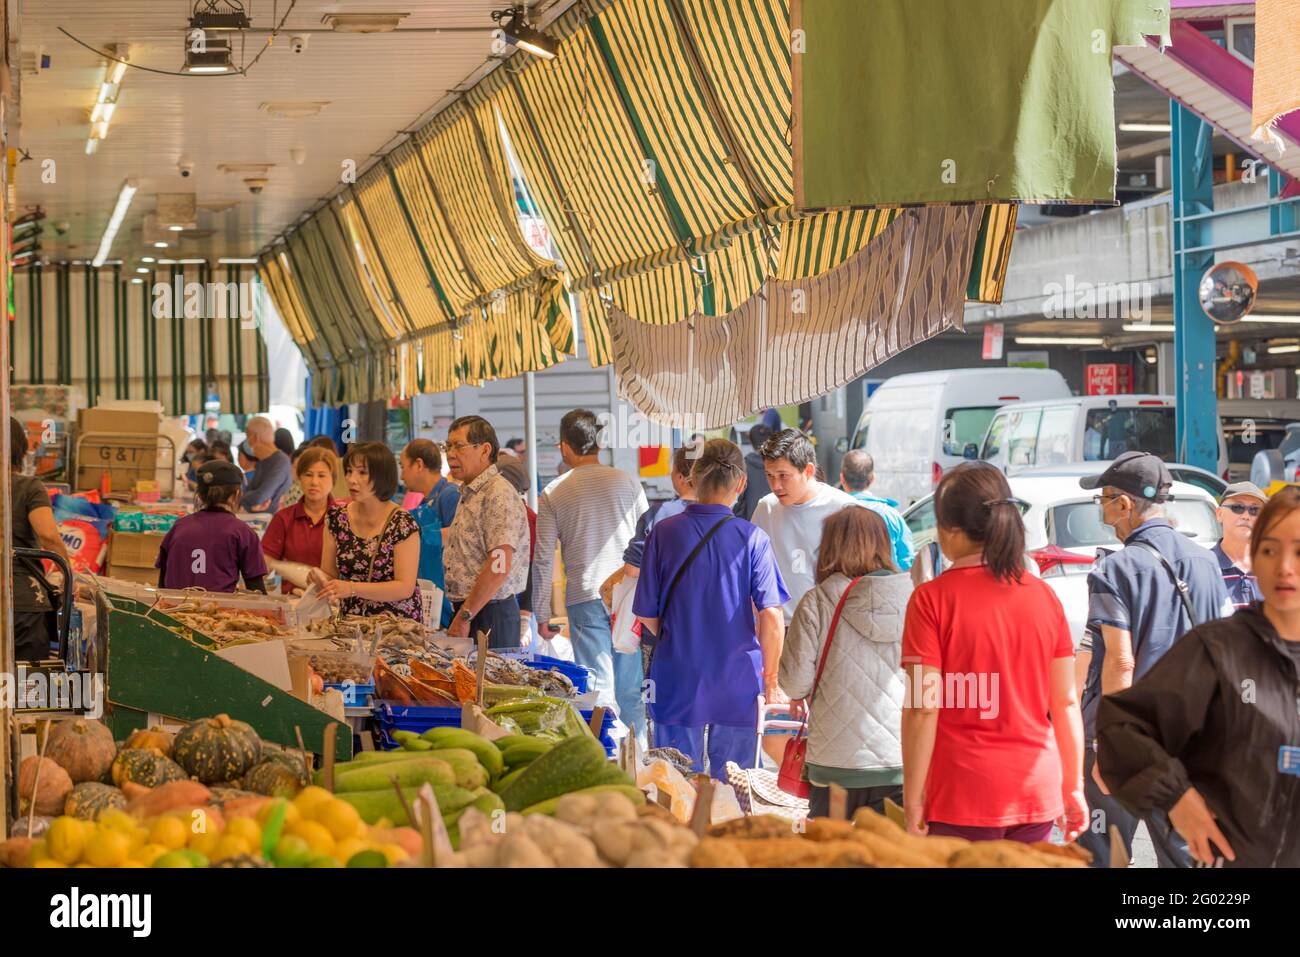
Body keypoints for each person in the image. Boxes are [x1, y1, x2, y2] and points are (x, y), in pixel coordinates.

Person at [1096, 487, 1300, 867]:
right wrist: (1175, 795)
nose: (1285, 566)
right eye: (1272, 549)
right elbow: (1122, 726)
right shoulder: (1219, 649)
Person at [901, 462, 1086, 844]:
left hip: (960, 794)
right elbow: (1066, 702)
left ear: (949, 530)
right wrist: (1073, 787)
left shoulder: (931, 600)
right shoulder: (1044, 597)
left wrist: (913, 796)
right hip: (1035, 789)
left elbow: (923, 706)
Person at [1074, 451, 1231, 867]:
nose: (1103, 511)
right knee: (1188, 852)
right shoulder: (1206, 563)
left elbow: (1120, 663)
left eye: (1104, 500)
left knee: (1107, 854)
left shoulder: (1116, 569)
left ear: (1124, 504)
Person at [633, 439, 788, 777]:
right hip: (738, 680)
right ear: (741, 484)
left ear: (692, 478)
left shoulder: (663, 533)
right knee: (736, 785)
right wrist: (772, 679)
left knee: (675, 783)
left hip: (676, 675)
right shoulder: (752, 538)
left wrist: (679, 636)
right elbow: (772, 616)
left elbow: (646, 613)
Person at [780, 506, 912, 818]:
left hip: (833, 764)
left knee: (830, 855)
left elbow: (795, 683)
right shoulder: (914, 598)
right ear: (883, 545)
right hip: (898, 759)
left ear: (828, 547)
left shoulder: (817, 601)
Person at [532, 410, 648, 736]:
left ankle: (605, 758)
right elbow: (648, 540)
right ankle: (636, 764)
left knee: (598, 691)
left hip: (584, 596)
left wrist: (542, 612)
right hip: (629, 595)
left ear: (564, 447)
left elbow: (542, 558)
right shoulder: (628, 481)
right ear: (599, 443)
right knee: (630, 690)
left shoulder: (554, 492)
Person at [751, 428, 864, 620]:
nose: (775, 485)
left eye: (783, 476)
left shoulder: (845, 509)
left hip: (828, 625)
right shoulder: (766, 508)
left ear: (808, 470)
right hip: (780, 627)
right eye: (769, 475)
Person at [442, 416, 531, 646]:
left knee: (489, 682)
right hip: (473, 611)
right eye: (448, 446)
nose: (451, 454)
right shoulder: (470, 493)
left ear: (484, 450)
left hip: (490, 615)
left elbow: (499, 566)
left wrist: (465, 615)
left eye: (459, 446)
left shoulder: (497, 493)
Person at [318, 442, 421, 620]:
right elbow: (329, 573)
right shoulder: (336, 517)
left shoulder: (402, 523)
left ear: (382, 476)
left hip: (395, 626)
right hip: (350, 622)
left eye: (362, 472)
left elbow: (404, 587)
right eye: (349, 471)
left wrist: (352, 588)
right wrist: (318, 578)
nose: (351, 479)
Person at [602, 444, 696, 608]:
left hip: (666, 610)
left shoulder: (659, 515)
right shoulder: (725, 516)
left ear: (680, 477)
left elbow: (632, 570)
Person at [9, 418, 71, 661]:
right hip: (22, 600)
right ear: (21, 449)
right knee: (28, 687)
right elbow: (49, 536)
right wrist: (68, 573)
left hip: (20, 600)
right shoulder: (28, 487)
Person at [157, 460, 268, 593]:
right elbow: (257, 592)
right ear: (236, 494)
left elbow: (162, 584)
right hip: (218, 611)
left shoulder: (179, 527)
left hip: (172, 609)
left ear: (200, 495)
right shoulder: (243, 533)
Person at [261, 447, 338, 595]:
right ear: (299, 478)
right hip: (292, 601)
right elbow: (264, 563)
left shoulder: (345, 519)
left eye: (321, 475)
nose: (314, 482)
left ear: (333, 480)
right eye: (308, 475)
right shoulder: (283, 518)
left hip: (335, 602)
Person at [400, 439, 455, 627]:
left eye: (403, 466)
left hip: (449, 607)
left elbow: (458, 543)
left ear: (418, 465)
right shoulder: (424, 503)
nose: (401, 475)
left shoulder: (449, 496)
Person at [839, 449, 915, 572]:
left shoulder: (834, 513)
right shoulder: (891, 515)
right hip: (889, 588)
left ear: (842, 478)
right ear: (873, 478)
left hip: (846, 589)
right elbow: (907, 561)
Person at [496, 452, 538, 645]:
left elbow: (531, 567)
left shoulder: (525, 516)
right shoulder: (518, 513)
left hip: (517, 608)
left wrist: (525, 616)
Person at [1212, 481, 1266, 608]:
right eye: (1237, 508)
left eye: (1255, 510)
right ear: (1219, 514)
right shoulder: (1204, 567)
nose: (1246, 516)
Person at [241, 415, 293, 513]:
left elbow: (260, 496)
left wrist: (243, 499)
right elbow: (249, 491)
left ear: (255, 438)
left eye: (247, 437)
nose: (246, 441)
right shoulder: (262, 461)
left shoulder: (281, 462)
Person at [733, 424, 772, 520]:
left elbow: (741, 499)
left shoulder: (744, 465)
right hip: (775, 520)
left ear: (750, 440)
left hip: (751, 522)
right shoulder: (779, 464)